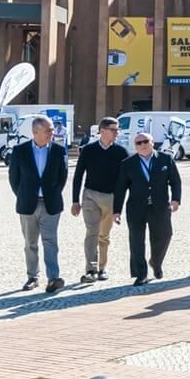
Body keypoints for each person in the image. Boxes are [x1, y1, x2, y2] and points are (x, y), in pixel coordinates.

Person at [7, 115, 69, 293]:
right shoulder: (20, 150)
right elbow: (14, 178)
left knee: (50, 242)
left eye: (52, 129)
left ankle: (53, 278)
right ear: (35, 131)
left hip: (50, 204)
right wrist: (25, 195)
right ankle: (32, 277)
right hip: (28, 204)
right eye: (48, 130)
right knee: (30, 243)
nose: (52, 133)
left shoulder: (58, 150)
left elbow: (62, 177)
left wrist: (51, 193)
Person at [112, 132, 181, 286]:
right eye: (139, 143)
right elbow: (120, 189)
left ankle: (156, 262)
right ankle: (140, 273)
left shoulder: (165, 159)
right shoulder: (128, 163)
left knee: (165, 235)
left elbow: (175, 181)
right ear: (135, 146)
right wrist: (116, 211)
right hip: (136, 208)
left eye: (145, 141)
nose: (142, 145)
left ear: (152, 143)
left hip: (160, 206)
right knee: (136, 241)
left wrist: (176, 200)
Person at [71, 116, 126, 283]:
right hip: (90, 196)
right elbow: (78, 175)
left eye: (117, 130)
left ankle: (102, 268)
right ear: (102, 131)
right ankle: (90, 269)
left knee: (104, 235)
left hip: (110, 197)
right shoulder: (88, 150)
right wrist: (75, 201)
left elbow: (125, 182)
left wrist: (118, 209)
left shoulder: (121, 152)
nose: (117, 133)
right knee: (92, 232)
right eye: (113, 130)